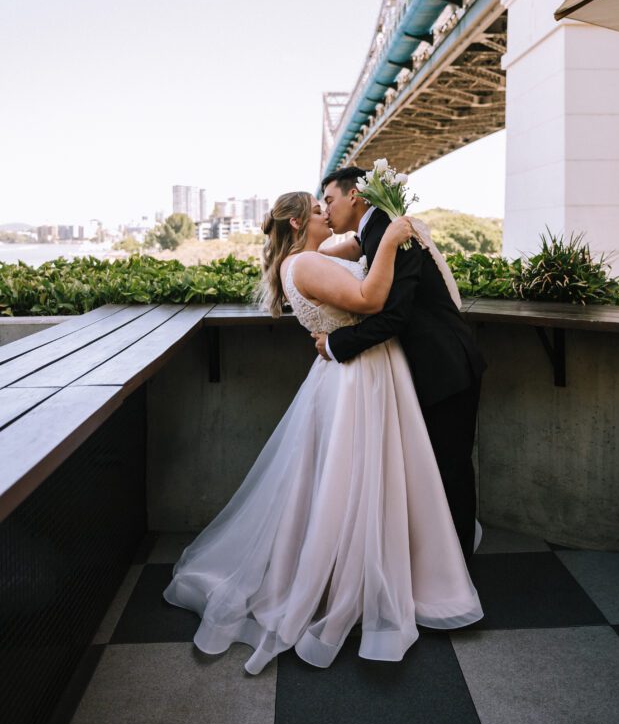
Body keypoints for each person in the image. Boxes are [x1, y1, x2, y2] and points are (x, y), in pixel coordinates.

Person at [163, 191, 482, 675]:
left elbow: (353, 246)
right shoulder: (305, 265)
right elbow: (370, 298)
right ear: (296, 222)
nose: (325, 213)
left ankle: (375, 572)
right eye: (316, 210)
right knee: (354, 482)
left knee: (367, 481)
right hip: (357, 379)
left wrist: (376, 222)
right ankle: (350, 583)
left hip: (363, 372)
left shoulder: (311, 257)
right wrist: (394, 239)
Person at [317, 166, 487, 562]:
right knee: (437, 470)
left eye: (329, 200)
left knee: (451, 469)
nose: (326, 210)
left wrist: (336, 343)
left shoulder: (394, 233)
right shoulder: (375, 233)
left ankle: (459, 568)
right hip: (430, 367)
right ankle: (441, 562)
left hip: (446, 368)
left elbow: (395, 316)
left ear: (355, 194)